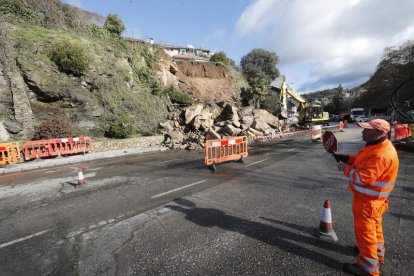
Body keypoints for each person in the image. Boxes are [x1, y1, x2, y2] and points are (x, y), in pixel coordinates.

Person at [334, 119, 399, 276]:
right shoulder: (377, 147)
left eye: (366, 130)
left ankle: (367, 267)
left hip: (367, 203)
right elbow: (362, 162)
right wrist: (346, 158)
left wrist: (345, 169)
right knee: (375, 229)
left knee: (365, 234)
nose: (362, 132)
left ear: (379, 133)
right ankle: (377, 254)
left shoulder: (380, 154)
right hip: (374, 202)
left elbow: (363, 178)